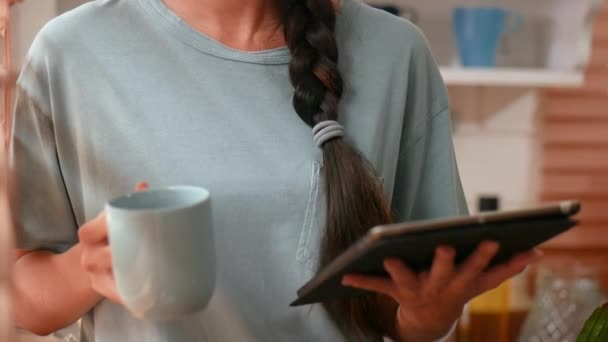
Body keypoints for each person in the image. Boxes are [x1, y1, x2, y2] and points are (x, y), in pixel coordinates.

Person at [9, 0, 539, 341]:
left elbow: (418, 312)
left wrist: (427, 317)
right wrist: (92, 264)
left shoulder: (396, 53)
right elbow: (30, 302)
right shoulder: (70, 53)